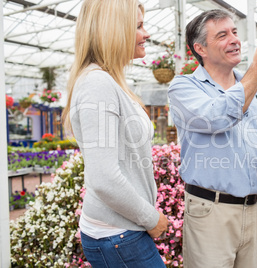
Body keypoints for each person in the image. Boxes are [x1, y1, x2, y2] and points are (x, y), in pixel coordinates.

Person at [168, 9, 257, 268]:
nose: (234, 39)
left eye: (234, 32)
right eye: (222, 35)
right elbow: (217, 117)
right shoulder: (183, 87)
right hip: (211, 211)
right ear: (201, 48)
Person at [62, 0, 168, 267]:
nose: (147, 34)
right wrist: (151, 219)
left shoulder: (105, 80)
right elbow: (104, 178)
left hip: (120, 231)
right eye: (139, 26)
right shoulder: (97, 83)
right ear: (114, 30)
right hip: (118, 234)